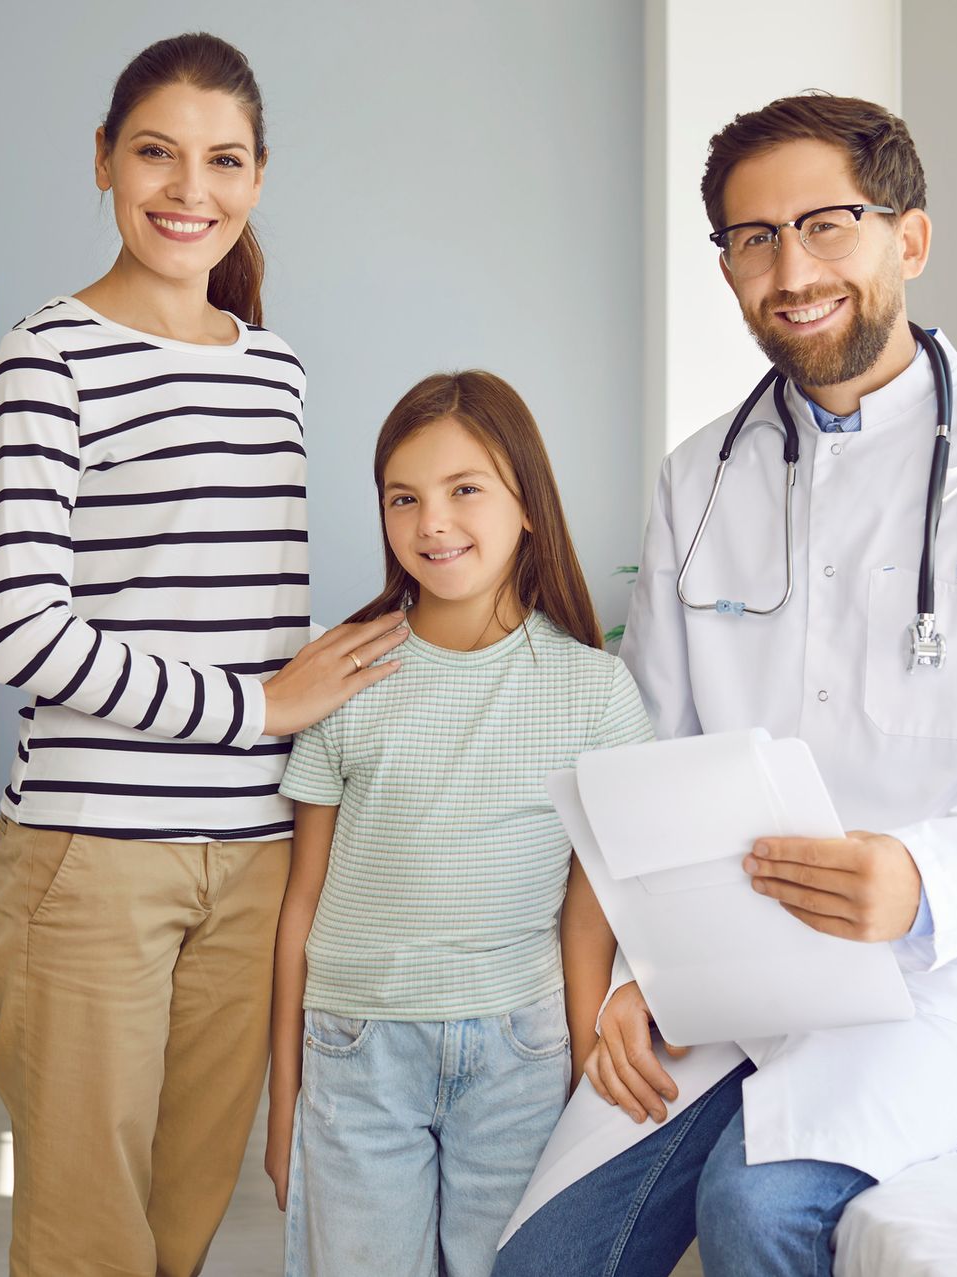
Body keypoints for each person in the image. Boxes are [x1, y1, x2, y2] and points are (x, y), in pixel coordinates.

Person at [494, 93, 957, 1277]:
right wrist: (640, 971)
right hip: (727, 961)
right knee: (548, 1258)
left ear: (907, 238)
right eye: (753, 238)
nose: (790, 269)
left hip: (941, 970)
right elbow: (652, 741)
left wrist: (922, 876)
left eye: (826, 224)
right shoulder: (700, 476)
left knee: (759, 1208)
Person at [0, 33, 407, 1277]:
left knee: (183, 1219)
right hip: (92, 856)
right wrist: (259, 704)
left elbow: (237, 601)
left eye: (222, 160)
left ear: (259, 178)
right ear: (103, 160)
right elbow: (17, 628)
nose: (187, 188)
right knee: (83, 1230)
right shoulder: (48, 355)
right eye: (155, 153)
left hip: (259, 855)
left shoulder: (276, 371)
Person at [264, 371, 654, 1276]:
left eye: (463, 490)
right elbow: (300, 903)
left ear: (527, 503)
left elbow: (593, 906)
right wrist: (283, 1101)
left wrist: (580, 1057)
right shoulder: (342, 674)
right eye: (405, 498)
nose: (431, 522)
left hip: (520, 1053)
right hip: (356, 1048)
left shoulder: (593, 689)